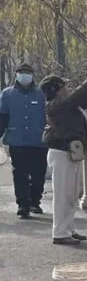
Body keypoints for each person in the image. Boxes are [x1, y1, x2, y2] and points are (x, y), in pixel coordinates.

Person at [41, 66, 87, 246]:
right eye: (64, 86)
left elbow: (83, 98)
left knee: (71, 194)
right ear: (56, 90)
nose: (67, 88)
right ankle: (60, 233)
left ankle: (68, 229)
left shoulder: (65, 105)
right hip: (62, 154)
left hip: (70, 153)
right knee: (63, 195)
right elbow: (78, 96)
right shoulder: (56, 106)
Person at [0, 63, 47, 220]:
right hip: (17, 140)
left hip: (39, 141)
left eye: (27, 72)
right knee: (19, 173)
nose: (24, 75)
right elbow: (2, 117)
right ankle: (23, 204)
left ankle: (35, 201)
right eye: (21, 72)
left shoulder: (42, 94)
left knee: (38, 174)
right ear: (16, 75)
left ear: (32, 75)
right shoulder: (7, 94)